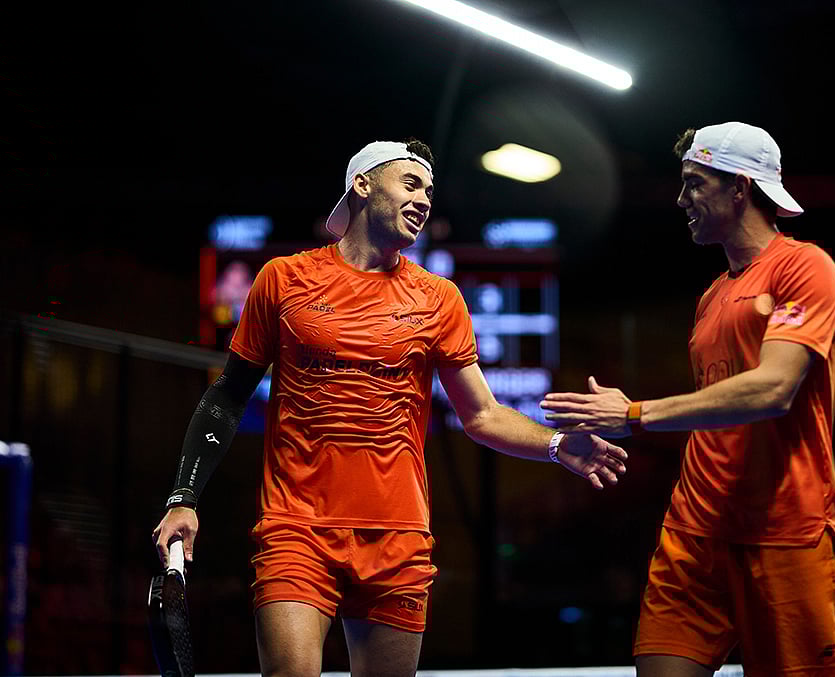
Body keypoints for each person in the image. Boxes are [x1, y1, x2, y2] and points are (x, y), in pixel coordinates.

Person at [152, 138, 628, 677]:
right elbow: (228, 394)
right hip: (297, 530)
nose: (425, 198)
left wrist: (558, 445)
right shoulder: (282, 279)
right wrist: (183, 497)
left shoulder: (439, 297)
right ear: (362, 186)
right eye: (410, 183)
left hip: (399, 541)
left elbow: (482, 414)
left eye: (429, 189)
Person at [541, 121, 835, 677]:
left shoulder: (805, 268)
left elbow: (773, 389)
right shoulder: (712, 297)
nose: (682, 199)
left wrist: (633, 414)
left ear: (740, 188)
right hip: (694, 533)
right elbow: (714, 408)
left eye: (694, 183)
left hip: (786, 531)